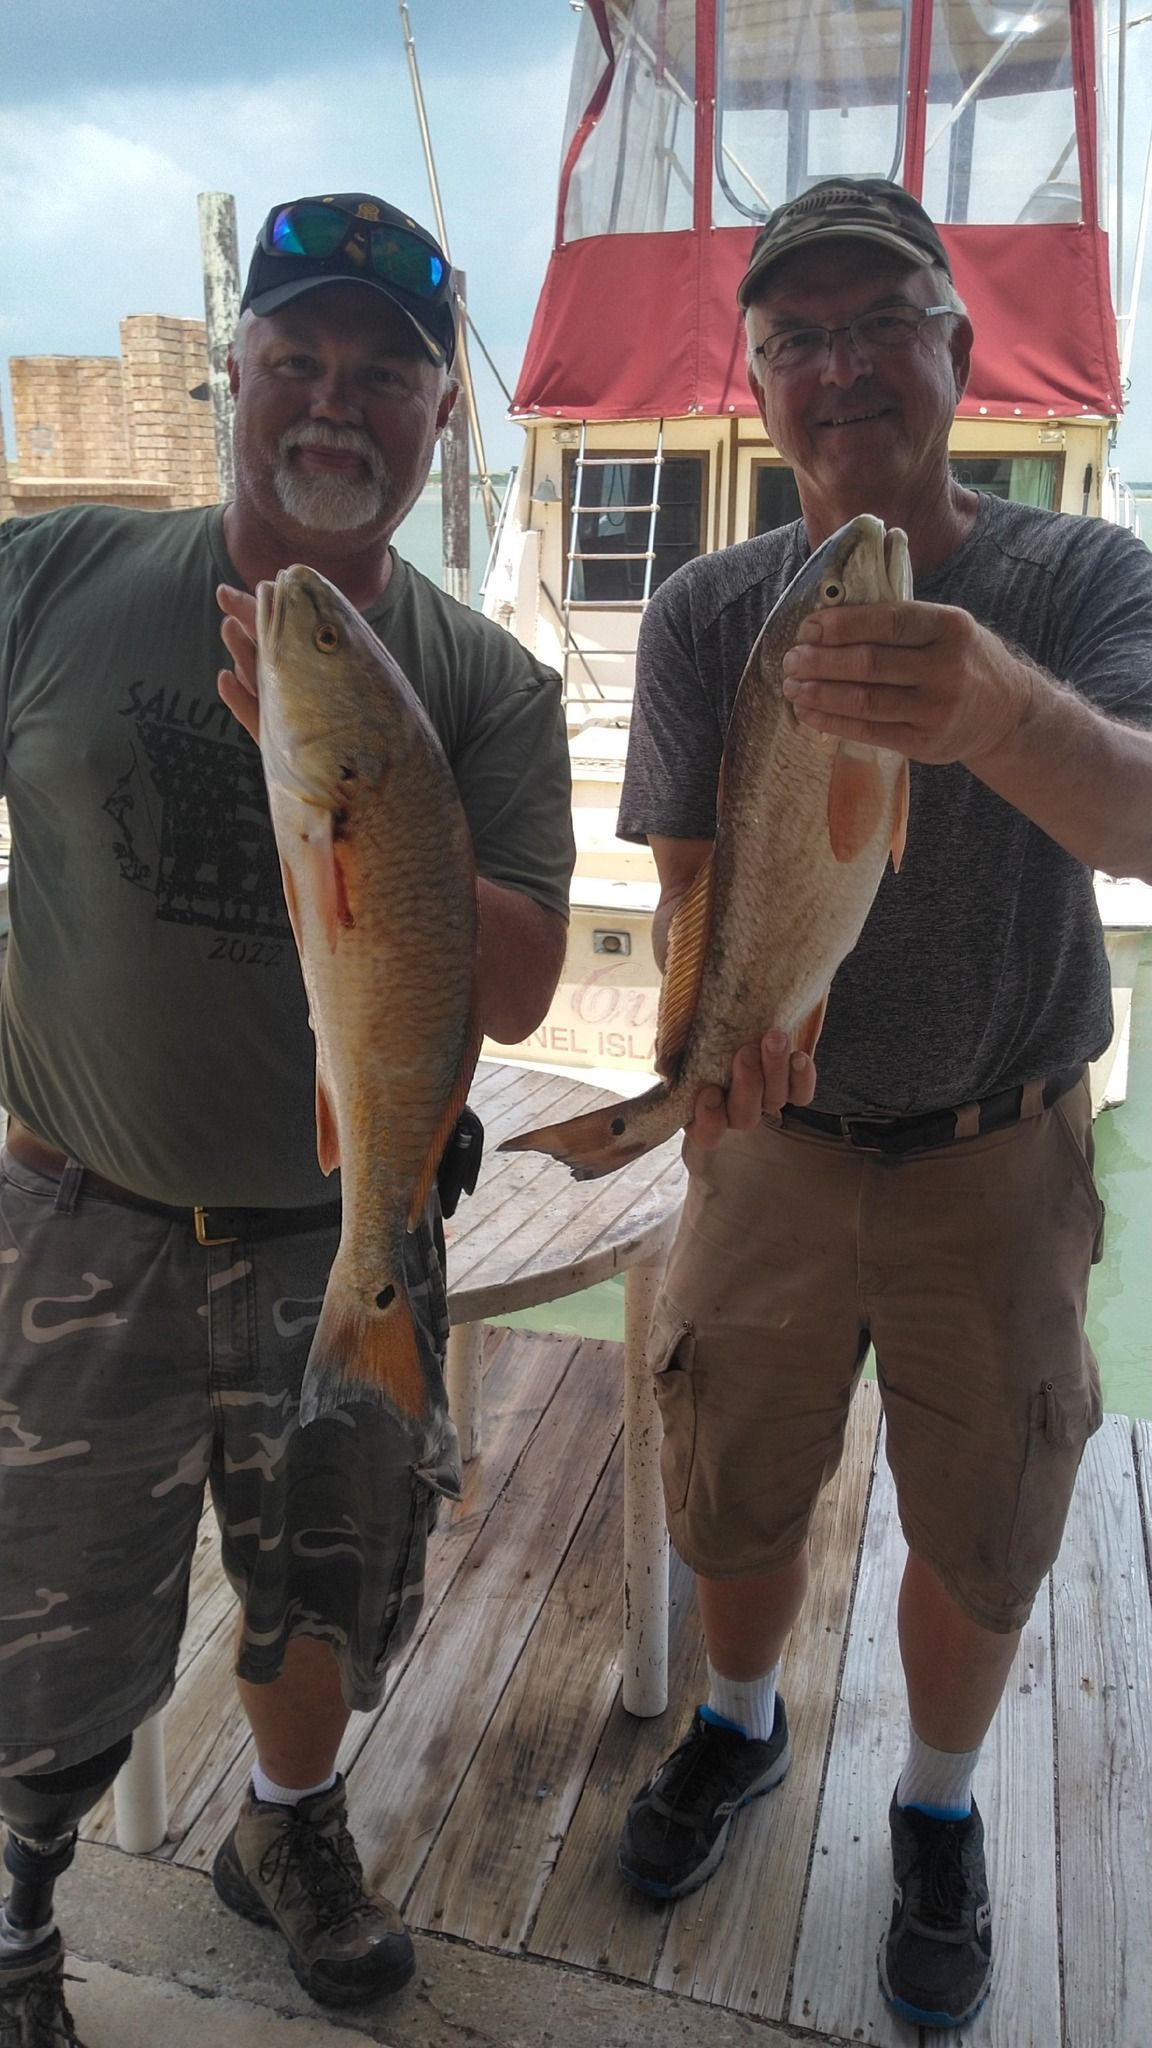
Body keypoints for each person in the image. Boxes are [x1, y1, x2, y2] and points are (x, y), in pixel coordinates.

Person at [0, 192, 574, 2044]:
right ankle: (18, 1914)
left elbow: (520, 987)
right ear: (232, 380)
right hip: (74, 1216)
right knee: (44, 1614)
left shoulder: (485, 690)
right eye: (298, 363)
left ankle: (286, 1831)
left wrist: (358, 780)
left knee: (332, 1588)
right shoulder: (59, 581)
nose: (336, 407)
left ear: (440, 420)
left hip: (351, 1232)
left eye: (386, 378)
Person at [615, 176, 1152, 2030]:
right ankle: (739, 1723)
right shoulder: (703, 612)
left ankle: (933, 1804)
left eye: (878, 322)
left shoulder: (1082, 579)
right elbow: (695, 891)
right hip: (766, 1146)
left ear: (959, 348)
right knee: (733, 1473)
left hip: (995, 1156)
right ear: (759, 382)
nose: (839, 368)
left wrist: (995, 711)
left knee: (987, 1508)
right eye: (797, 339)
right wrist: (703, 1053)